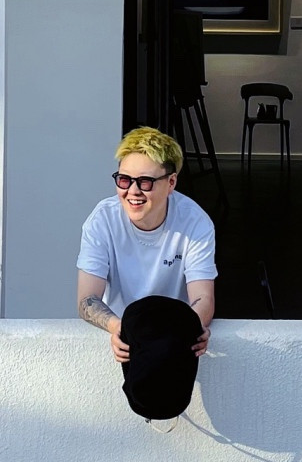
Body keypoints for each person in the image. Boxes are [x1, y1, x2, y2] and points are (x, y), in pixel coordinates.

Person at [76, 126, 217, 361]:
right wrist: (118, 328)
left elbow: (203, 297)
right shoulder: (102, 220)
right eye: (124, 180)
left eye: (145, 182)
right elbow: (86, 299)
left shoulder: (195, 222)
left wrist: (193, 326)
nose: (133, 191)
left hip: (173, 339)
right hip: (125, 339)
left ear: (171, 182)